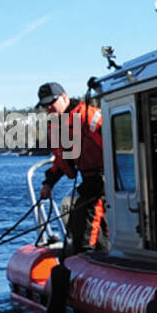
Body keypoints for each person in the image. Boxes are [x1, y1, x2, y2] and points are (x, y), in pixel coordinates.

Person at [36, 82, 108, 254]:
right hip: (88, 181)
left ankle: (91, 255)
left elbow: (119, 147)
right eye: (45, 106)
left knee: (88, 219)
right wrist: (48, 184)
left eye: (51, 103)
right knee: (78, 217)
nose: (49, 108)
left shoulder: (90, 117)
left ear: (64, 98)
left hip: (107, 179)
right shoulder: (56, 126)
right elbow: (62, 161)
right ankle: (92, 256)